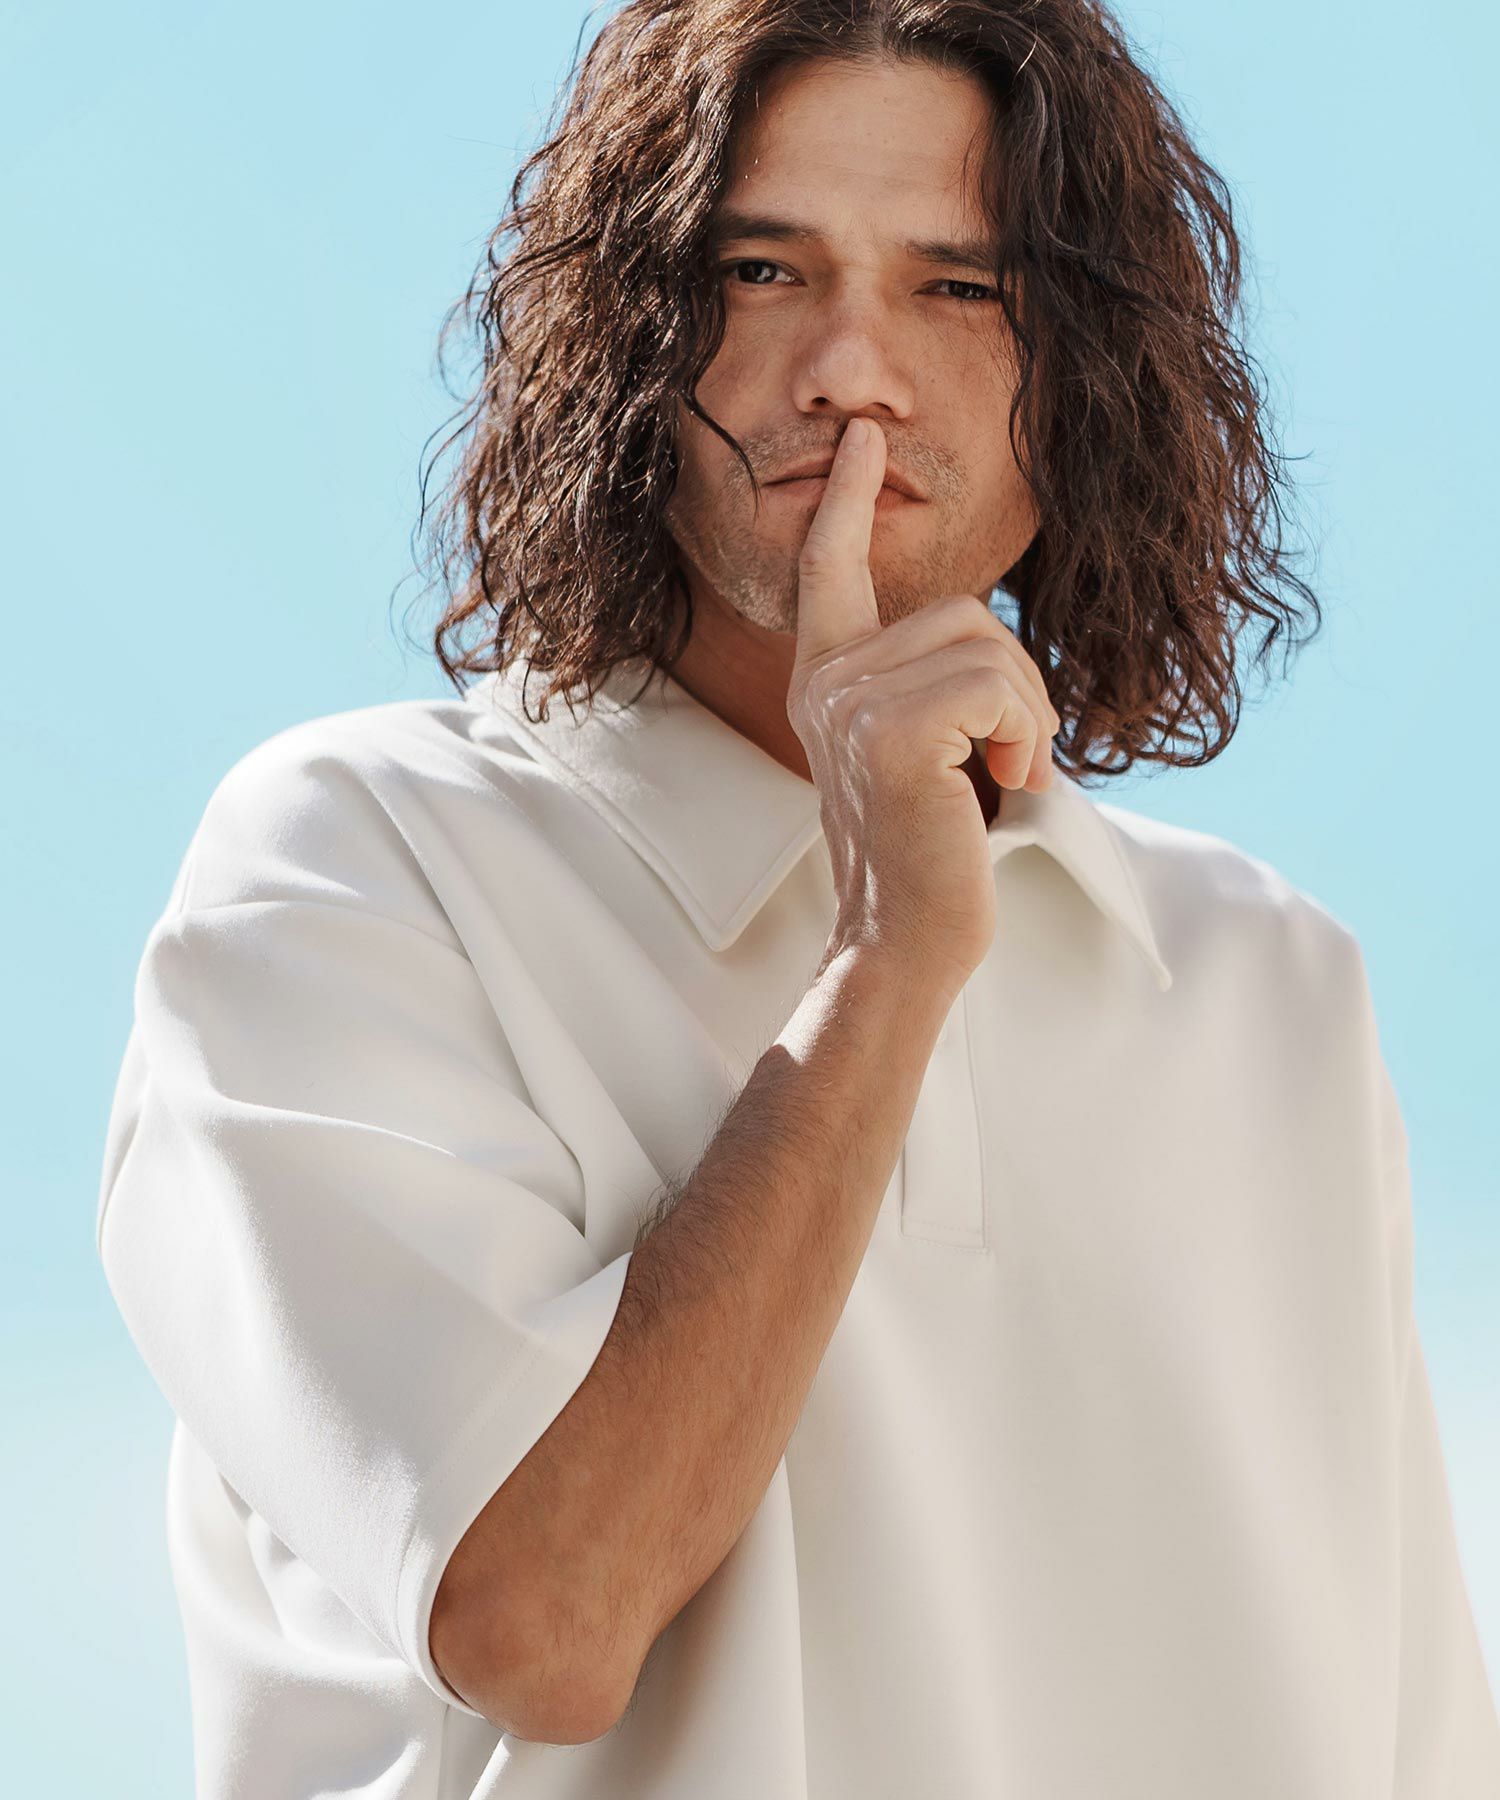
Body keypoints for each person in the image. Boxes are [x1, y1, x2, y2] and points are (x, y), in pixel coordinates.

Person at [95, 3, 1500, 1796]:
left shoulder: (1267, 981)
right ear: (632, 329)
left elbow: (1413, 1742)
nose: (851, 369)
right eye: (763, 271)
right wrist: (892, 958)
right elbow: (543, 1619)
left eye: (960, 287)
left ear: (1084, 375)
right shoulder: (356, 864)